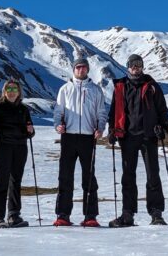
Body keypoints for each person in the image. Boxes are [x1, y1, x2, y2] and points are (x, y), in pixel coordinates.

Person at [108, 54, 168, 227]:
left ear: (142, 67)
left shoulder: (152, 86)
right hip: (127, 137)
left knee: (153, 176)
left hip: (148, 137)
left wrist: (163, 128)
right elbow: (113, 112)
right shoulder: (120, 86)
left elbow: (163, 110)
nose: (136, 67)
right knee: (128, 177)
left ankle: (156, 213)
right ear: (127, 67)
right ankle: (127, 214)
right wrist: (112, 130)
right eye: (133, 64)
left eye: (139, 64)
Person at [52, 58, 107, 227]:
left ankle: (90, 215)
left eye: (84, 67)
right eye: (78, 67)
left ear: (88, 70)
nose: (81, 70)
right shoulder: (65, 89)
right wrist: (57, 125)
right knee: (65, 176)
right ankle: (63, 214)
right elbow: (58, 111)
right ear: (73, 69)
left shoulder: (96, 90)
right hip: (68, 136)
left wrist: (100, 127)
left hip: (87, 138)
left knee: (89, 177)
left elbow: (101, 112)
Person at [0, 79, 35, 228]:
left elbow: (29, 129)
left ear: (19, 92)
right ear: (4, 91)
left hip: (20, 148)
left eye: (14, 89)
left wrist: (31, 131)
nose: (12, 92)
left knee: (15, 182)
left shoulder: (24, 109)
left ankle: (14, 214)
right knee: (1, 181)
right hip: (4, 147)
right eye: (9, 89)